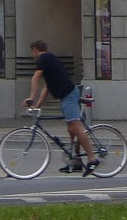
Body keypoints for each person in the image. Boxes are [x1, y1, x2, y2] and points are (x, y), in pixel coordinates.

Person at [24, 38, 99, 175]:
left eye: (32, 53)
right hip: (66, 96)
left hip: (69, 95)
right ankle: (75, 161)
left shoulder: (44, 58)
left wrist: (31, 97)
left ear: (35, 50)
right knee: (71, 129)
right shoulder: (49, 61)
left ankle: (92, 159)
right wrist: (37, 106)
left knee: (76, 127)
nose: (32, 56)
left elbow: (35, 78)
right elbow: (47, 88)